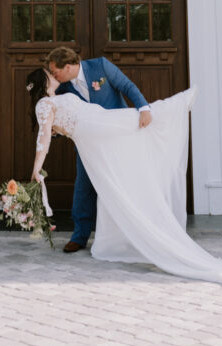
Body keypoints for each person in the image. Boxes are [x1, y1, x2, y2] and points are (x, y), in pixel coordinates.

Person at [26, 67, 222, 294]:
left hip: (98, 123)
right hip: (94, 130)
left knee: (134, 128)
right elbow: (45, 137)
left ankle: (174, 107)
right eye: (49, 74)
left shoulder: (60, 95)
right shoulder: (44, 103)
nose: (54, 75)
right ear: (42, 82)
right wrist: (37, 169)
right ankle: (177, 105)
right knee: (132, 122)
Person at [46, 46, 151, 253]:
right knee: (83, 188)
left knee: (122, 184)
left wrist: (144, 108)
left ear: (67, 67)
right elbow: (59, 115)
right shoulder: (63, 88)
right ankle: (79, 236)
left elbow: (127, 86)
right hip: (88, 143)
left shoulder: (101, 66)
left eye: (55, 71)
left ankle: (129, 234)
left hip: (116, 138)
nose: (53, 76)